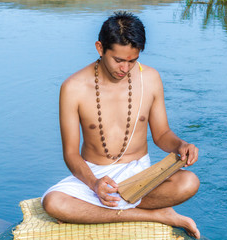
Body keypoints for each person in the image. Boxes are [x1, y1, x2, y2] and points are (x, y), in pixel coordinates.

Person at [42, 11, 200, 239]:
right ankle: (157, 215)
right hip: (95, 176)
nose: (125, 69)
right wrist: (95, 184)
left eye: (132, 61)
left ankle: (102, 212)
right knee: (54, 203)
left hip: (141, 176)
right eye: (118, 60)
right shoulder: (73, 87)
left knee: (189, 182)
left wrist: (181, 145)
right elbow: (70, 154)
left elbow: (162, 134)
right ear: (100, 48)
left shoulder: (151, 78)